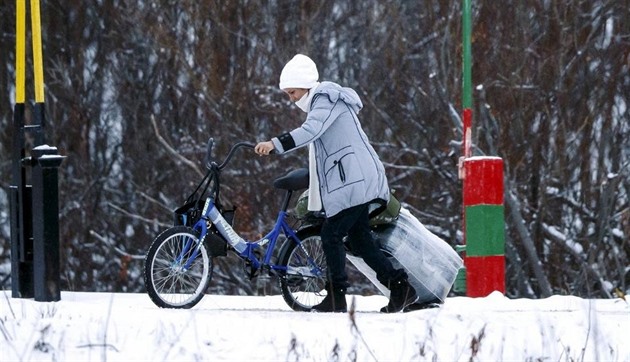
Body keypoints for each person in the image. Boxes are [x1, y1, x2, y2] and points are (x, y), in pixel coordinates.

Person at [255, 54, 418, 313]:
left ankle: (336, 296)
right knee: (362, 241)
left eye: (293, 92)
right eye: (288, 94)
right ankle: (400, 288)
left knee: (330, 234)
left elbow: (310, 131)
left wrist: (275, 143)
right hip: (353, 180)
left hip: (355, 181)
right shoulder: (323, 102)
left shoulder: (325, 99)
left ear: (305, 85)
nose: (291, 99)